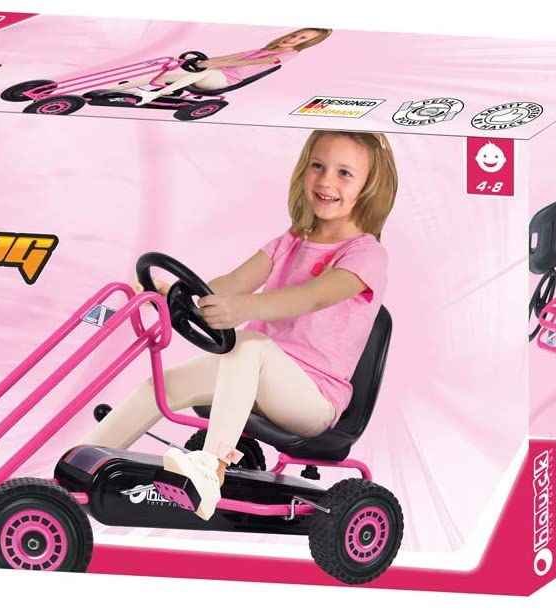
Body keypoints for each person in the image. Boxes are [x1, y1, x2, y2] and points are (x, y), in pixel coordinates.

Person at [80, 130, 397, 520]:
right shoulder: (289, 242)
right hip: (251, 374)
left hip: (313, 399)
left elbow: (312, 296)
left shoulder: (366, 255)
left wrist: (244, 307)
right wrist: (172, 292)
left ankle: (209, 468)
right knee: (161, 386)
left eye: (345, 173)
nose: (326, 180)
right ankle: (78, 467)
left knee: (247, 344)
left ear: (371, 187)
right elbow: (227, 286)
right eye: (318, 166)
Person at [111, 28, 332, 106]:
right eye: (294, 34)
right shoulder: (263, 48)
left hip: (226, 80)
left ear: (305, 43)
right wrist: (200, 60)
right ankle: (115, 89)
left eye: (301, 38)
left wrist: (210, 64)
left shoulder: (289, 54)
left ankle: (155, 94)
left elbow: (248, 63)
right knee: (166, 74)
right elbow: (233, 56)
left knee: (208, 71)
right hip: (215, 73)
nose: (293, 39)